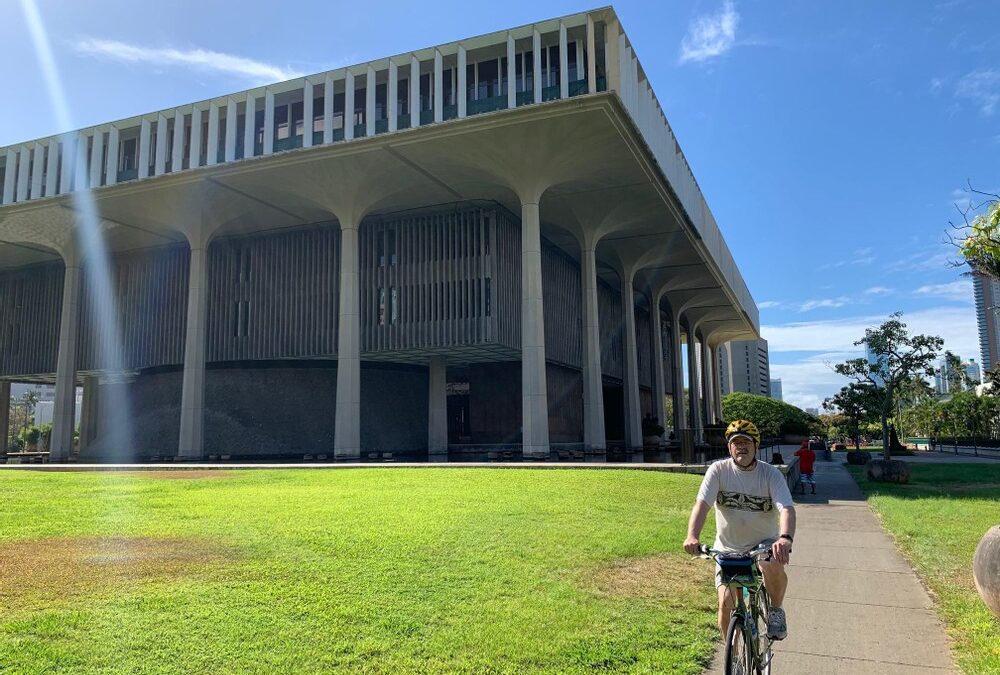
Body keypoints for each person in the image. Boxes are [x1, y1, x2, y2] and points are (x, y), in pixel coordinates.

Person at [683, 419, 796, 640]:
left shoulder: (770, 474)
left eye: (746, 442)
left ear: (756, 446)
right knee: (726, 604)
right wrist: (692, 536)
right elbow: (702, 506)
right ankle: (733, 657)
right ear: (729, 447)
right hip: (728, 548)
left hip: (763, 544)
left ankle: (776, 610)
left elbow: (787, 509)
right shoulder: (718, 470)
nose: (741, 447)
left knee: (772, 563)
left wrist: (784, 538)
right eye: (736, 443)